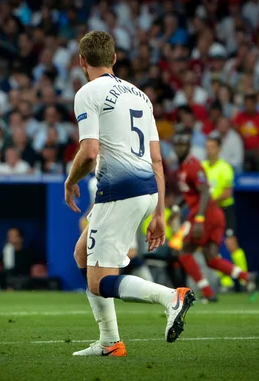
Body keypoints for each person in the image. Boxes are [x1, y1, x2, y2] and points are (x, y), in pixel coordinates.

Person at [64, 31, 195, 357]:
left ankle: (170, 297)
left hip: (119, 192)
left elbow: (90, 152)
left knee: (98, 282)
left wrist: (70, 181)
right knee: (82, 254)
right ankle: (110, 343)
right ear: (114, 59)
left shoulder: (87, 92)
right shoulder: (141, 96)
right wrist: (160, 212)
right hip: (148, 189)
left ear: (82, 61)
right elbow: (156, 159)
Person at [169, 131, 257, 299]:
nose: (180, 149)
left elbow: (205, 192)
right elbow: (191, 193)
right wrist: (175, 208)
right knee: (210, 257)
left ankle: (207, 292)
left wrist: (199, 219)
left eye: (183, 145)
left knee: (184, 252)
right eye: (177, 145)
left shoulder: (195, 166)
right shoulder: (187, 166)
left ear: (189, 147)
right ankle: (246, 277)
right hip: (212, 213)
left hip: (207, 214)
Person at [202, 136, 249, 292]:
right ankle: (226, 281)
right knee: (212, 247)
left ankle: (245, 279)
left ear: (219, 149)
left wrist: (212, 200)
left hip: (224, 210)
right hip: (208, 212)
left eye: (212, 147)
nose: (209, 150)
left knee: (231, 243)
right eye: (207, 147)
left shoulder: (225, 168)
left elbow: (228, 192)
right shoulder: (202, 167)